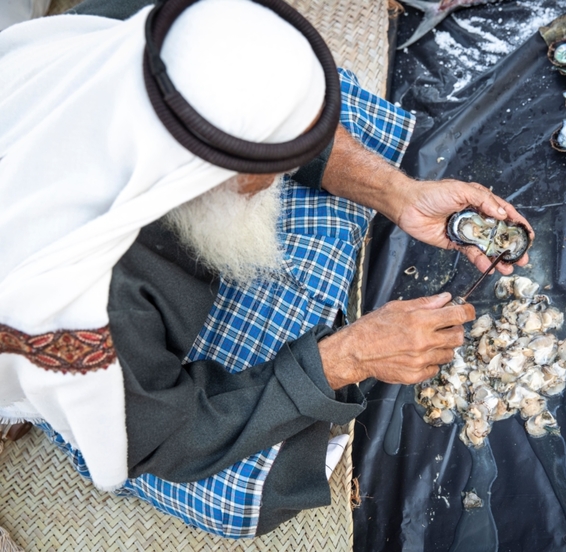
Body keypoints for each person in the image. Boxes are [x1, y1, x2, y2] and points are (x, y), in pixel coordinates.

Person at [0, 0, 533, 538]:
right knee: (246, 493)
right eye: (263, 176)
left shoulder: (149, 30)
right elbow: (165, 438)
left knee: (307, 96)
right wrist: (350, 354)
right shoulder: (75, 307)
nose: (277, 184)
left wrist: (399, 194)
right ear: (191, 178)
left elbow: (256, 118)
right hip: (119, 388)